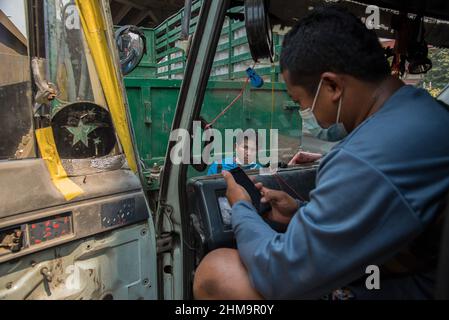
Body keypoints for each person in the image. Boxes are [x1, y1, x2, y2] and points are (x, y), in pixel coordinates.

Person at [193, 6, 449, 300]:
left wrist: (242, 210)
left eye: (302, 101)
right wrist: (300, 213)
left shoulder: (365, 157)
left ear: (332, 86)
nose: (307, 113)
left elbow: (282, 276)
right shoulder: (426, 112)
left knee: (217, 269)